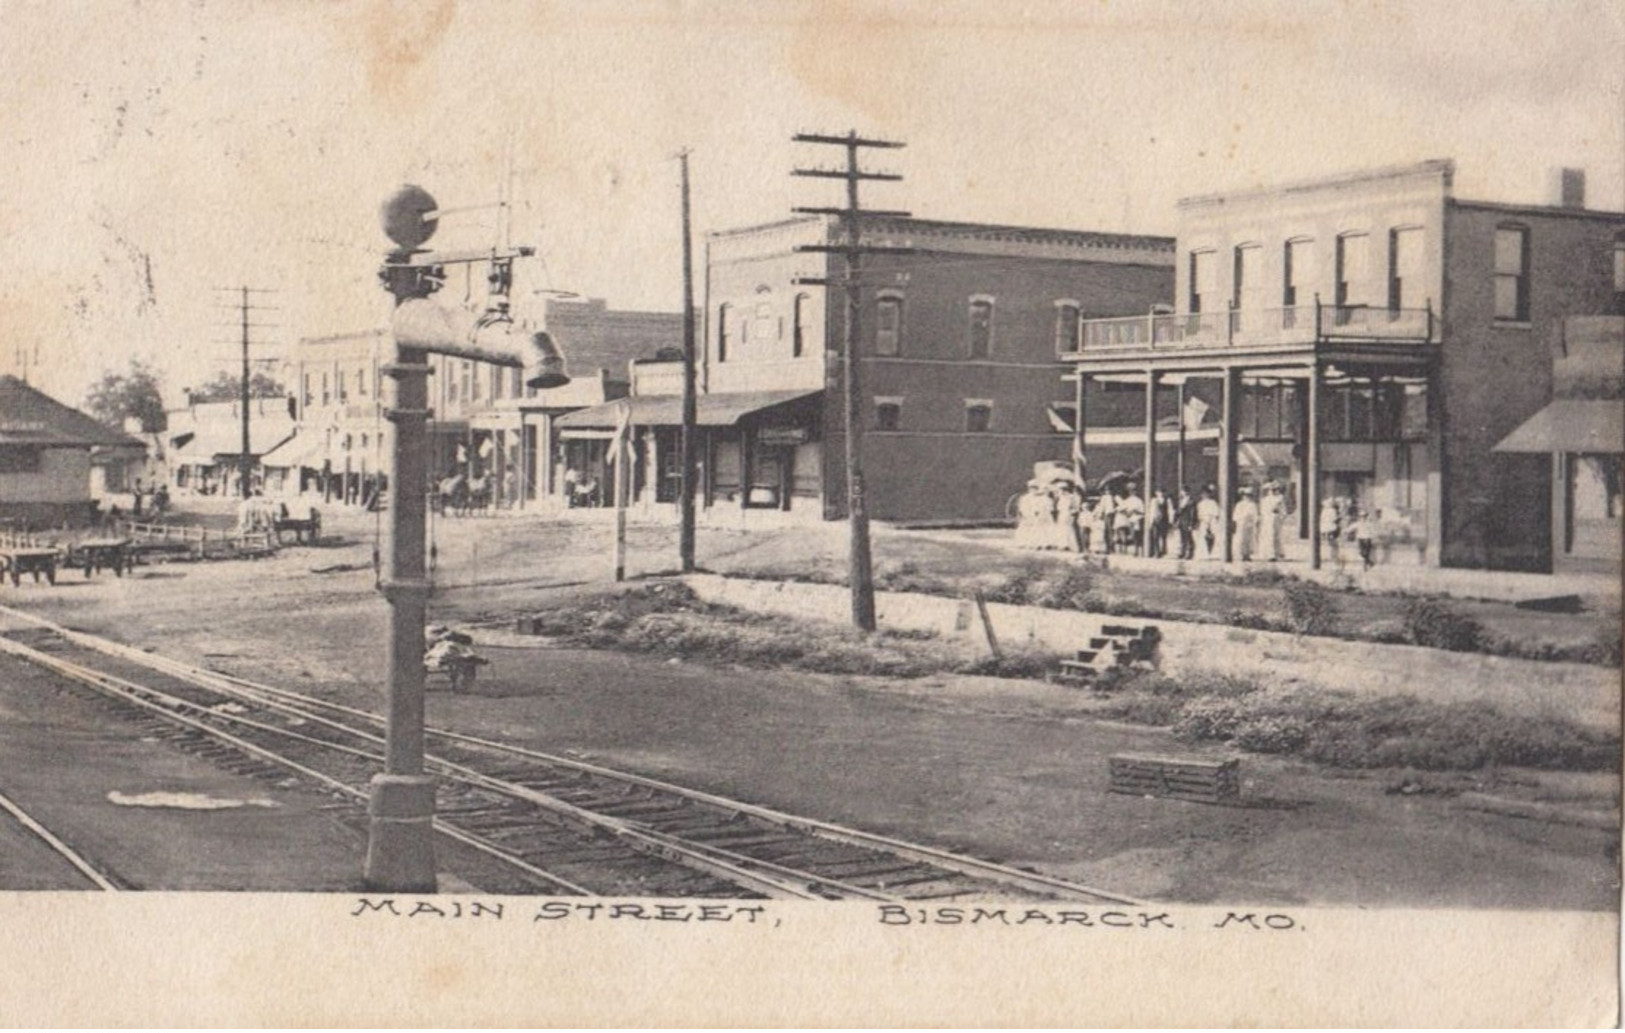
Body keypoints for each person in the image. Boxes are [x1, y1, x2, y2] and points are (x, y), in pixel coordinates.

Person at [1233, 485, 1260, 562]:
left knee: (1249, 539)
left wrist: (1255, 520)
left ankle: (1247, 554)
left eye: (1249, 496)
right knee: (1241, 538)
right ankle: (1242, 554)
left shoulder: (1252, 504)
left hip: (1250, 523)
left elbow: (1255, 514)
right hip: (1241, 523)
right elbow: (1236, 515)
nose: (1247, 497)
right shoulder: (1240, 504)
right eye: (1246, 496)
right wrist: (1240, 519)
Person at [1260, 480, 1286, 561]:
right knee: (1268, 536)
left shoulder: (1279, 498)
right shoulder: (1265, 499)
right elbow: (1263, 510)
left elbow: (1283, 509)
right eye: (1271, 490)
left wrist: (1281, 515)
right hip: (1268, 518)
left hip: (1276, 518)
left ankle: (1278, 553)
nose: (1273, 491)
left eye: (1275, 489)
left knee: (1277, 536)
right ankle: (1269, 554)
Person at [1196, 485, 1222, 560]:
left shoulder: (1212, 503)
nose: (1204, 495)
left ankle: (1215, 553)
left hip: (1212, 520)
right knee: (1202, 536)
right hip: (1203, 521)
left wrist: (1211, 520)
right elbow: (1199, 514)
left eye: (1206, 494)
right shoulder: (1200, 504)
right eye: (1203, 494)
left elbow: (1216, 513)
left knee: (1215, 536)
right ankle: (1203, 554)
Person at [1174, 487, 1198, 560]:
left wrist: (1191, 524)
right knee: (1182, 538)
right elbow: (1178, 512)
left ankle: (1190, 553)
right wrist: (1176, 520)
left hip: (1187, 521)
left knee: (1189, 538)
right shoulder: (1181, 501)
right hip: (1181, 521)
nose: (1181, 493)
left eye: (1183, 491)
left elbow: (1192, 513)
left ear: (1186, 492)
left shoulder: (1191, 501)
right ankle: (1182, 552)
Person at [1147, 489, 1171, 558]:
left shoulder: (1167, 500)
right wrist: (1151, 521)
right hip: (1156, 520)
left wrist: (1170, 521)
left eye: (1161, 492)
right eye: (1158, 492)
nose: (1160, 493)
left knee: (1163, 536)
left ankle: (1163, 551)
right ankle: (1156, 552)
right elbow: (1152, 511)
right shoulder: (1154, 500)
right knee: (1155, 536)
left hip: (1164, 520)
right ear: (1156, 493)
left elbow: (1170, 510)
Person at [1352, 505, 1377, 570]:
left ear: (1366, 517)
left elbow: (1373, 530)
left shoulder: (1369, 523)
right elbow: (1351, 527)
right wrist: (1345, 530)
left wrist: (1374, 537)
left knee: (1366, 552)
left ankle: (1365, 566)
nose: (1362, 518)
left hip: (1367, 538)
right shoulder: (1358, 523)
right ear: (1359, 517)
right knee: (1361, 552)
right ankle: (1370, 562)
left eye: (1364, 516)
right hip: (1360, 538)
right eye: (1361, 516)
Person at [1320, 496, 1343, 562]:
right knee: (1334, 544)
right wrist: (1340, 517)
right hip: (1331, 528)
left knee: (1330, 543)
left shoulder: (1324, 510)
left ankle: (1332, 556)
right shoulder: (1332, 511)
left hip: (1324, 529)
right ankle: (1334, 556)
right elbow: (1334, 519)